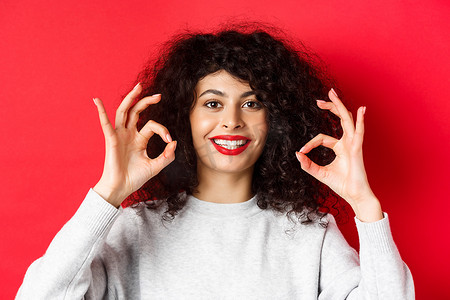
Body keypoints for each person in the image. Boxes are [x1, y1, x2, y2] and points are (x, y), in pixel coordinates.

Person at [16, 26, 415, 299]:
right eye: (212, 103)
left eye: (252, 103)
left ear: (275, 120)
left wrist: (366, 206)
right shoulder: (134, 228)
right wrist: (107, 195)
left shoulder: (312, 235)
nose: (232, 120)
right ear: (182, 115)